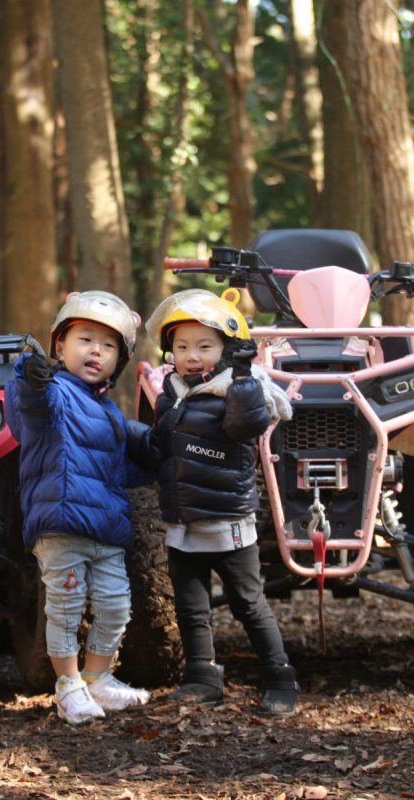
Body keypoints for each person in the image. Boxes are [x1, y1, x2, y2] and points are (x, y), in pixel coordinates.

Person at [135, 287, 299, 717]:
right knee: (191, 606)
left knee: (248, 603)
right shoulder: (172, 392)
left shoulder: (239, 390)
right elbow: (162, 445)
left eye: (205, 346)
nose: (192, 356)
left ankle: (280, 678)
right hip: (183, 520)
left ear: (227, 350)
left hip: (227, 519)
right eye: (182, 346)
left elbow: (247, 426)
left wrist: (243, 377)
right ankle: (202, 679)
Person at [5, 290, 153, 725]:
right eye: (85, 339)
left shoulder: (108, 411)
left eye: (108, 346)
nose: (96, 351)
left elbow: (116, 469)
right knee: (66, 607)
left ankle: (97, 678)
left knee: (116, 606)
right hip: (62, 523)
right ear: (59, 346)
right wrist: (31, 376)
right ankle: (68, 686)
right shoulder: (53, 393)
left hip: (106, 529)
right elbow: (32, 407)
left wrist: (158, 459)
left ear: (119, 361)